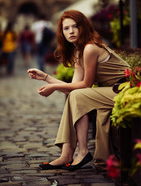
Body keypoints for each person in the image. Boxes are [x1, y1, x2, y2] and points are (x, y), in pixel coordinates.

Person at [27, 10, 129, 171]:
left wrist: (54, 87)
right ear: (61, 32)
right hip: (112, 90)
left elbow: (85, 85)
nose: (71, 31)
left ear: (83, 27)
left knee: (78, 96)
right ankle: (67, 154)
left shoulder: (90, 48)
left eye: (75, 26)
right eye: (66, 28)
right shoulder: (79, 52)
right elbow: (73, 89)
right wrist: (46, 77)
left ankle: (81, 152)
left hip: (127, 90)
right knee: (74, 96)